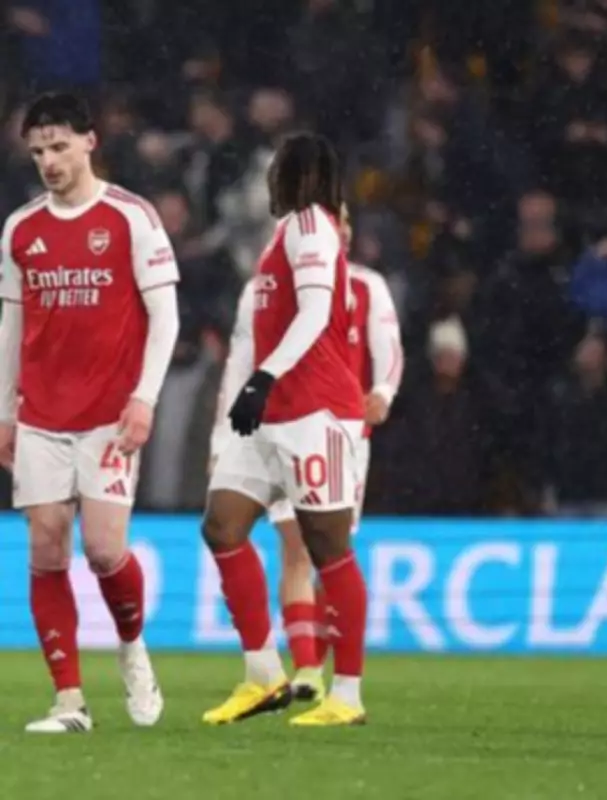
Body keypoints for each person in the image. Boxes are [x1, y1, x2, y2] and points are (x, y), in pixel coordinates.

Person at [0, 92, 180, 732]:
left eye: (59, 146)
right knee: (47, 545)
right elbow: (11, 326)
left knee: (104, 551)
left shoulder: (131, 216)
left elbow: (166, 317)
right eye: (38, 151)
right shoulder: (21, 229)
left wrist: (144, 398)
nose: (49, 161)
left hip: (109, 414)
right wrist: (5, 411)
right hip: (42, 415)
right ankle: (69, 701)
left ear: (89, 141)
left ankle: (132, 647)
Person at [202, 132, 369, 727]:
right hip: (271, 416)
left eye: (277, 170)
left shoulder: (311, 226)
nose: (270, 180)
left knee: (328, 547)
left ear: (295, 175)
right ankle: (263, 675)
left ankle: (347, 694)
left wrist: (265, 377)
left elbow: (317, 313)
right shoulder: (284, 235)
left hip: (316, 412)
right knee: (222, 526)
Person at [210, 202, 403, 704]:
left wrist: (382, 392)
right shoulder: (262, 288)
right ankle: (307, 668)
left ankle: (336, 676)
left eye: (343, 220)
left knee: (327, 550)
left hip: (339, 433)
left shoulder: (366, 286)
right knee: (293, 546)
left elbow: (389, 348)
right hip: (274, 430)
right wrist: (221, 437)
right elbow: (239, 363)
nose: (337, 229)